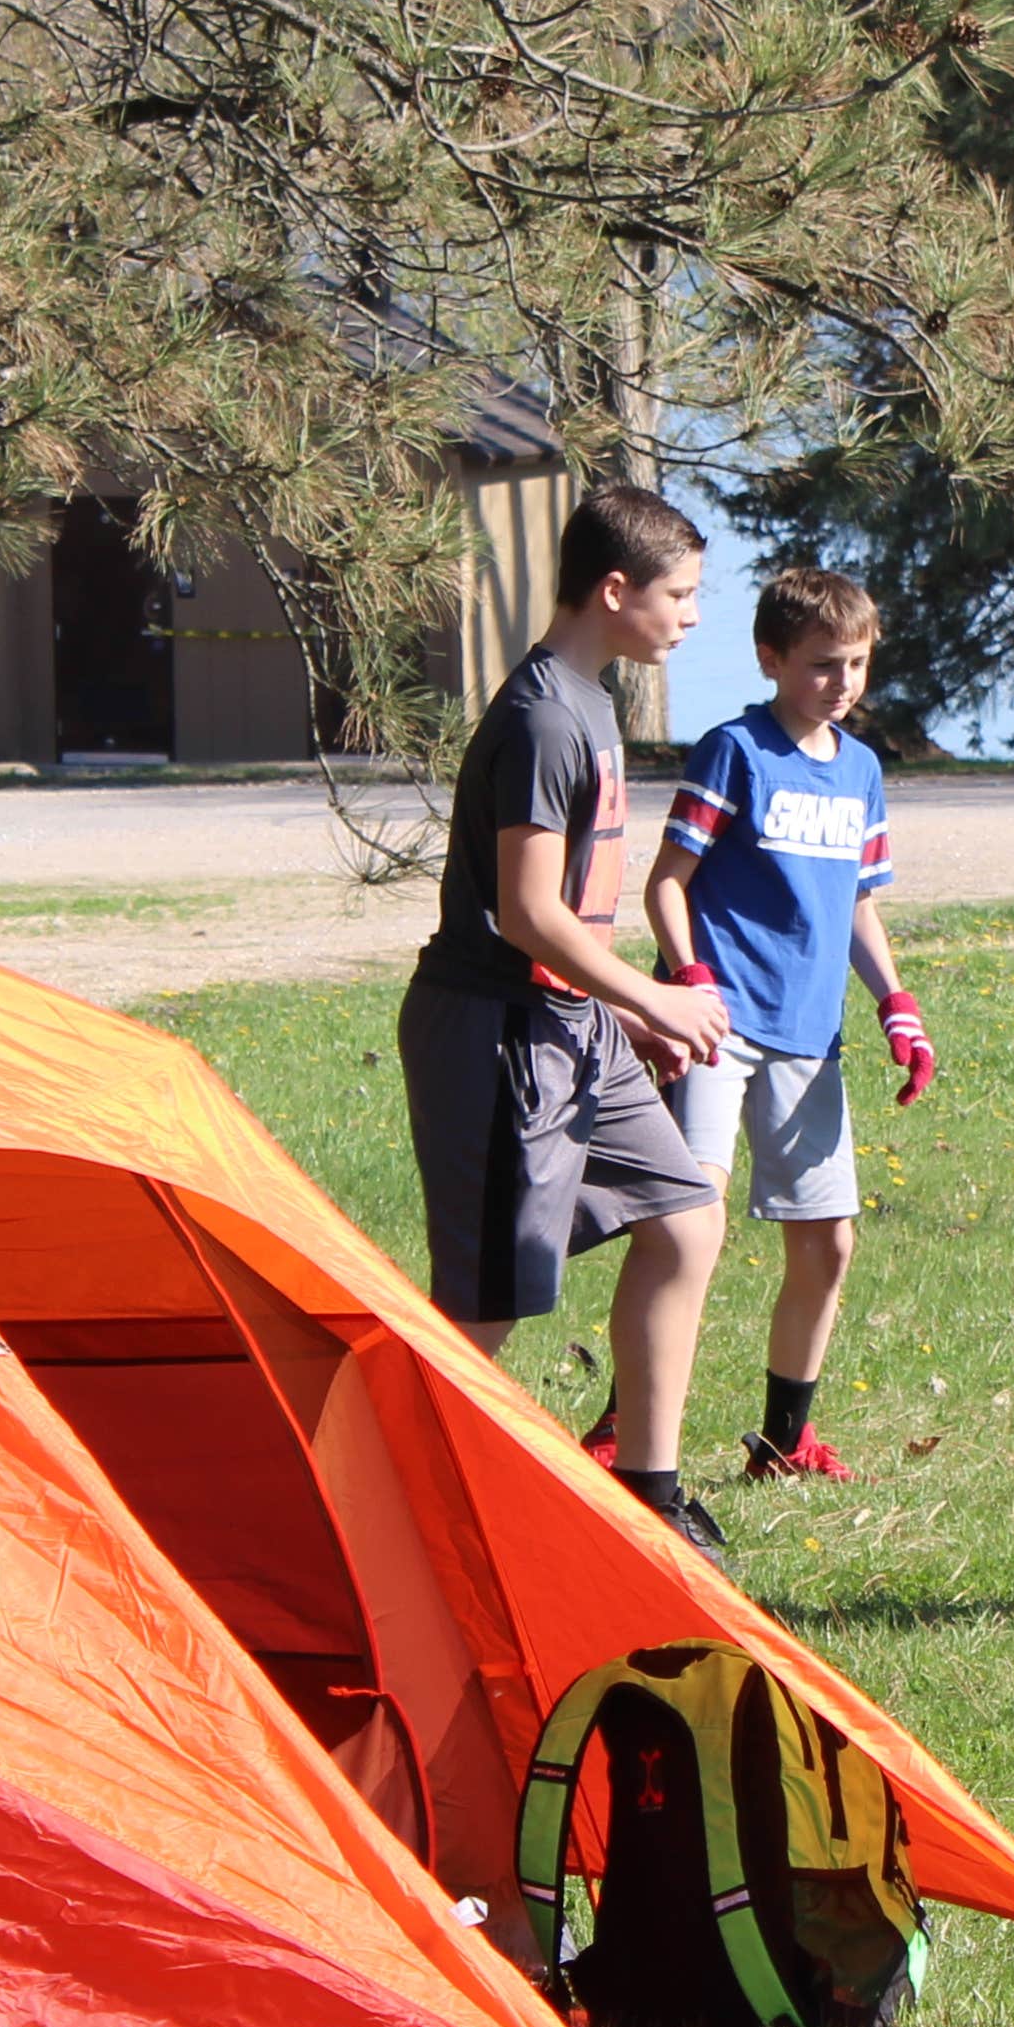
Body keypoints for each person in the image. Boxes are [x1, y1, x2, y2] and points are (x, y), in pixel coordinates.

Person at [401, 480, 737, 1561]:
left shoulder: (594, 698)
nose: (691, 615)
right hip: (499, 1036)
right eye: (678, 594)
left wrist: (616, 1007)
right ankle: (382, 1491)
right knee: (486, 1309)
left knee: (686, 1219)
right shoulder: (548, 714)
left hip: (572, 1024)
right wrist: (651, 997)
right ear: (613, 588)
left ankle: (651, 1489)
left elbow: (568, 913)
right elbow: (528, 909)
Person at [641, 565, 936, 1501]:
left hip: (809, 1038)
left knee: (828, 1245)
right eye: (818, 666)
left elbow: (856, 902)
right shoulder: (734, 752)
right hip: (717, 1024)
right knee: (691, 1227)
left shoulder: (860, 771)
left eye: (854, 665)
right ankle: (629, 1427)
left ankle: (784, 1440)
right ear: (770, 659)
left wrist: (896, 1002)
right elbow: (665, 882)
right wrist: (687, 980)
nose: (839, 683)